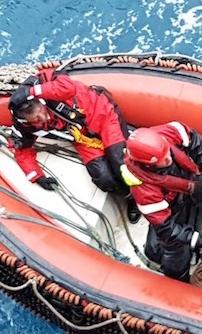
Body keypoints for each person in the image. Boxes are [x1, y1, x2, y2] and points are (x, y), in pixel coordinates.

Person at [8, 69, 140, 222]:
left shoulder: (45, 82)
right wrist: (37, 176)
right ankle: (131, 197)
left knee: (120, 162)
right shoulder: (25, 126)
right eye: (36, 119)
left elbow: (68, 88)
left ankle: (143, 194)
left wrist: (32, 91)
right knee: (103, 178)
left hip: (102, 115)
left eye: (40, 112)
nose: (41, 118)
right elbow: (21, 150)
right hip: (83, 137)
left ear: (41, 101)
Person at [121, 121, 202, 282]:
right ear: (148, 165)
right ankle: (179, 282)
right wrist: (198, 241)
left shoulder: (169, 132)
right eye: (163, 159)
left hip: (193, 184)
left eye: (168, 153)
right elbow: (166, 227)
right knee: (175, 249)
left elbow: (195, 140)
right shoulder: (145, 191)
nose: (169, 158)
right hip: (172, 207)